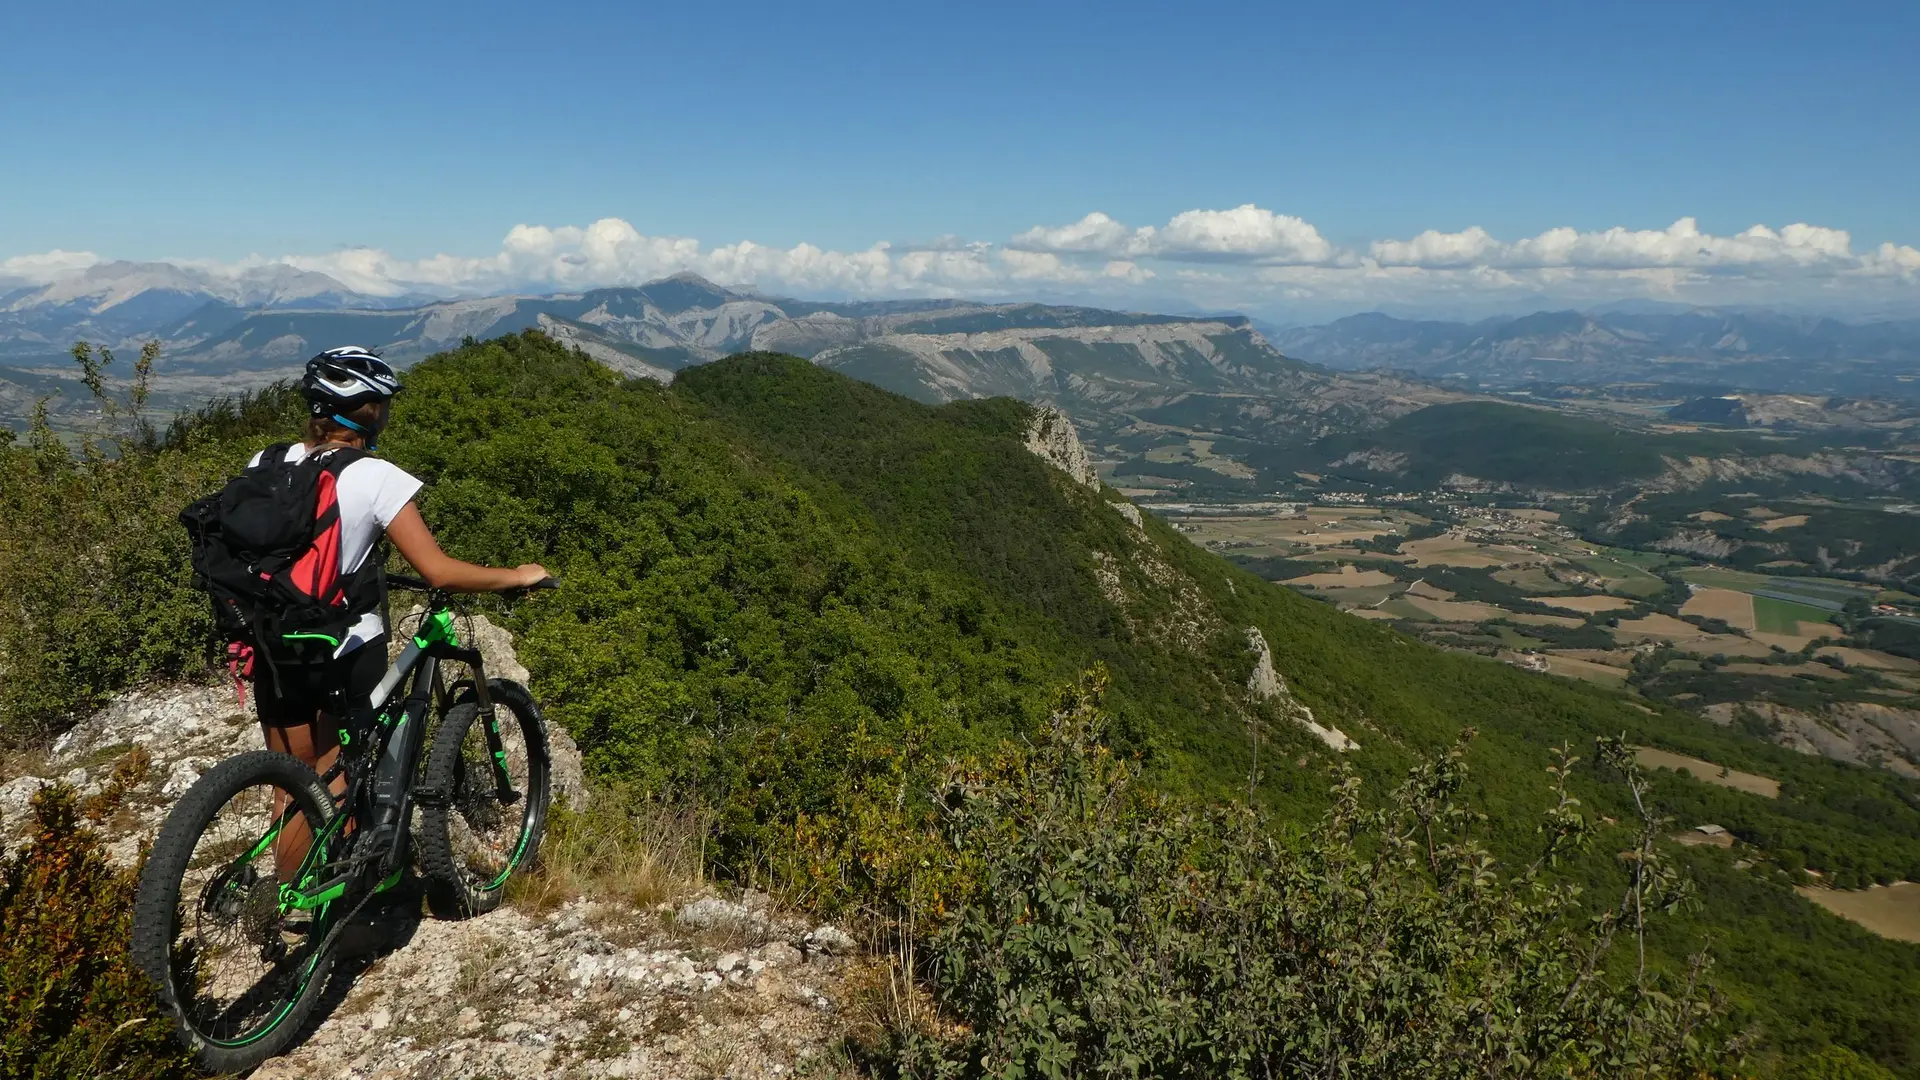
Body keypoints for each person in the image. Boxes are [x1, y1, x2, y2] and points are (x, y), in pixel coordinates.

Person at [254, 346, 548, 883]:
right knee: (333, 774)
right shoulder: (376, 476)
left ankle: (287, 897)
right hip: (341, 643)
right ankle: (330, 897)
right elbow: (438, 571)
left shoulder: (269, 461)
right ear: (370, 412)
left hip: (269, 637)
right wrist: (517, 575)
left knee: (290, 783)